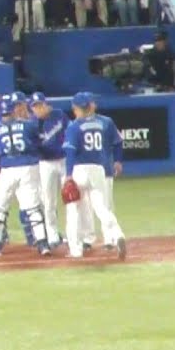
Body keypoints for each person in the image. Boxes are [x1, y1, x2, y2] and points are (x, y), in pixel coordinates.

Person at [0, 93, 51, 257]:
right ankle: (43, 244)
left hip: (7, 169)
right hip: (29, 167)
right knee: (33, 207)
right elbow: (39, 143)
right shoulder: (28, 125)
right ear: (13, 109)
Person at [62, 92, 128, 260]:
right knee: (102, 208)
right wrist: (118, 160)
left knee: (73, 210)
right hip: (98, 169)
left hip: (79, 169)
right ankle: (118, 234)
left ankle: (75, 250)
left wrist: (68, 175)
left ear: (77, 108)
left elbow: (70, 152)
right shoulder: (102, 123)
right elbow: (117, 142)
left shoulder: (74, 126)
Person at [30, 94, 68, 250]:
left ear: (46, 104)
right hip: (45, 163)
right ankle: (52, 236)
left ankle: (73, 233)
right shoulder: (33, 124)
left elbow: (70, 133)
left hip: (64, 160)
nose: (38, 109)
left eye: (40, 105)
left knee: (70, 198)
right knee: (48, 201)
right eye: (35, 106)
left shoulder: (59, 115)